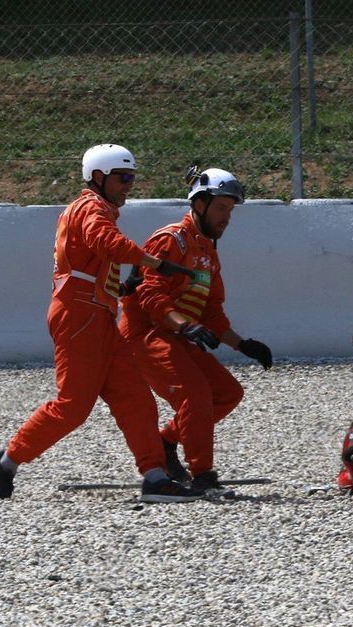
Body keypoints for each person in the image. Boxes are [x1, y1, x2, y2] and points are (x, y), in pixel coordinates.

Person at [0, 144, 205, 503]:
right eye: (123, 178)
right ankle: (6, 462)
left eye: (132, 178)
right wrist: (156, 263)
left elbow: (92, 263)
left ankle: (154, 477)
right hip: (79, 316)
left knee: (135, 398)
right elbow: (106, 241)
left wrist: (124, 285)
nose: (129, 186)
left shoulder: (94, 208)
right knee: (73, 406)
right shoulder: (91, 207)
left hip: (97, 316)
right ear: (99, 177)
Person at [118, 166, 272, 492]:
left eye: (230, 210)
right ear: (199, 204)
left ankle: (165, 442)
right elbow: (148, 293)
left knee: (228, 393)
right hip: (145, 336)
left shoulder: (208, 254)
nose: (226, 217)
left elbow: (212, 312)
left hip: (177, 334)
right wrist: (184, 325)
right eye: (220, 208)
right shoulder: (171, 240)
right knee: (196, 393)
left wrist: (243, 345)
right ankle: (202, 475)